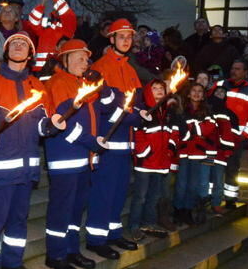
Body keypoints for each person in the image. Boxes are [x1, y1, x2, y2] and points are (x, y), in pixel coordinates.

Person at [0, 31, 47, 269]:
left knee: (19, 218)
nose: (19, 47)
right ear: (6, 52)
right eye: (14, 44)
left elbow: (41, 125)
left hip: (27, 166)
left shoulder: (37, 86)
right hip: (1, 167)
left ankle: (13, 261)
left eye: (24, 44)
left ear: (30, 54)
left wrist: (50, 126)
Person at [42, 39, 111, 269]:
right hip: (65, 158)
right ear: (65, 59)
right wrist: (92, 142)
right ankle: (56, 254)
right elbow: (65, 123)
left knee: (75, 209)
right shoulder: (59, 83)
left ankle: (71, 249)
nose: (85, 62)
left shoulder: (82, 84)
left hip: (82, 158)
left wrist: (94, 145)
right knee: (61, 209)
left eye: (86, 58)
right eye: (79, 58)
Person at [88, 19, 143, 256]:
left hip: (126, 142)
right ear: (111, 39)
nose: (126, 41)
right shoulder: (101, 67)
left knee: (120, 191)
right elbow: (102, 107)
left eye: (129, 37)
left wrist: (138, 115)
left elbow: (138, 103)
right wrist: (131, 115)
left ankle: (113, 233)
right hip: (107, 141)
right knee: (104, 191)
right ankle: (96, 239)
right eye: (121, 36)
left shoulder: (131, 69)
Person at [129, 79, 180, 240]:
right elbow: (137, 135)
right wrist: (146, 153)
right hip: (146, 163)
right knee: (141, 197)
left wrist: (170, 150)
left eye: (161, 88)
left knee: (154, 196)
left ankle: (148, 223)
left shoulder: (168, 111)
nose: (158, 91)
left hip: (161, 163)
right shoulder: (144, 111)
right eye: (155, 88)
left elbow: (174, 133)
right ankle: (134, 226)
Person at [216, 59, 248, 206]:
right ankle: (211, 199)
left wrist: (244, 136)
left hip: (237, 137)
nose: (233, 71)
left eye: (238, 69)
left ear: (245, 72)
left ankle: (230, 199)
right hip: (216, 134)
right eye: (233, 68)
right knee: (214, 167)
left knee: (232, 168)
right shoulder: (220, 85)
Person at [173, 83, 218, 225]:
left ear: (203, 95)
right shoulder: (180, 110)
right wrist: (196, 128)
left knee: (193, 185)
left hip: (198, 153)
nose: (197, 94)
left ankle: (187, 211)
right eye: (194, 91)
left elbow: (210, 128)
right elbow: (179, 130)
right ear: (188, 93)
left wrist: (191, 128)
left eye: (200, 91)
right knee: (181, 184)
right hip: (184, 152)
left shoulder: (208, 111)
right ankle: (178, 211)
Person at [23, 0, 77, 78]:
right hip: (39, 71)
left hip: (58, 70)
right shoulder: (47, 24)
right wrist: (42, 4)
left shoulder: (68, 27)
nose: (58, 9)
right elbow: (33, 23)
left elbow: (67, 15)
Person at [207, 85, 240, 214]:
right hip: (207, 152)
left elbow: (234, 135)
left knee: (218, 179)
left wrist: (229, 150)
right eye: (218, 91)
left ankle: (216, 203)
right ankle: (206, 201)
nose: (220, 93)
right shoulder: (205, 110)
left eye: (223, 92)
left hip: (221, 154)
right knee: (206, 179)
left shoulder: (231, 114)